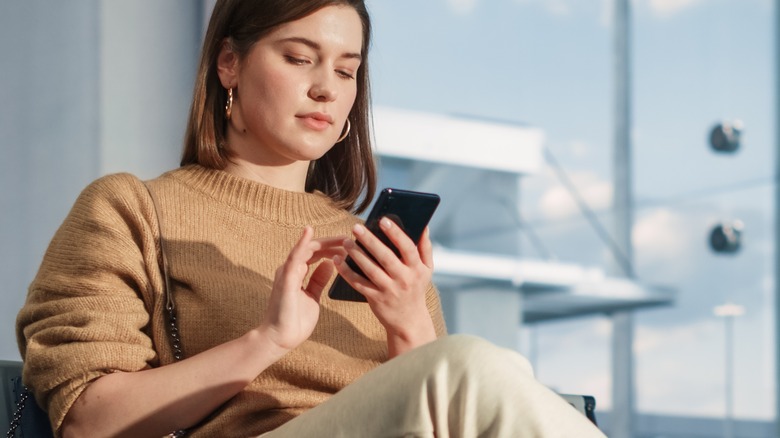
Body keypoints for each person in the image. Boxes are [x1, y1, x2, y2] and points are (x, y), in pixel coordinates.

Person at [15, 0, 606, 437]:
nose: (326, 87)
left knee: (483, 367)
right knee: (473, 367)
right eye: (300, 58)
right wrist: (268, 340)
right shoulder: (130, 208)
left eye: (347, 71)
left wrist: (409, 326)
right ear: (229, 64)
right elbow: (88, 420)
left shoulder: (371, 244)